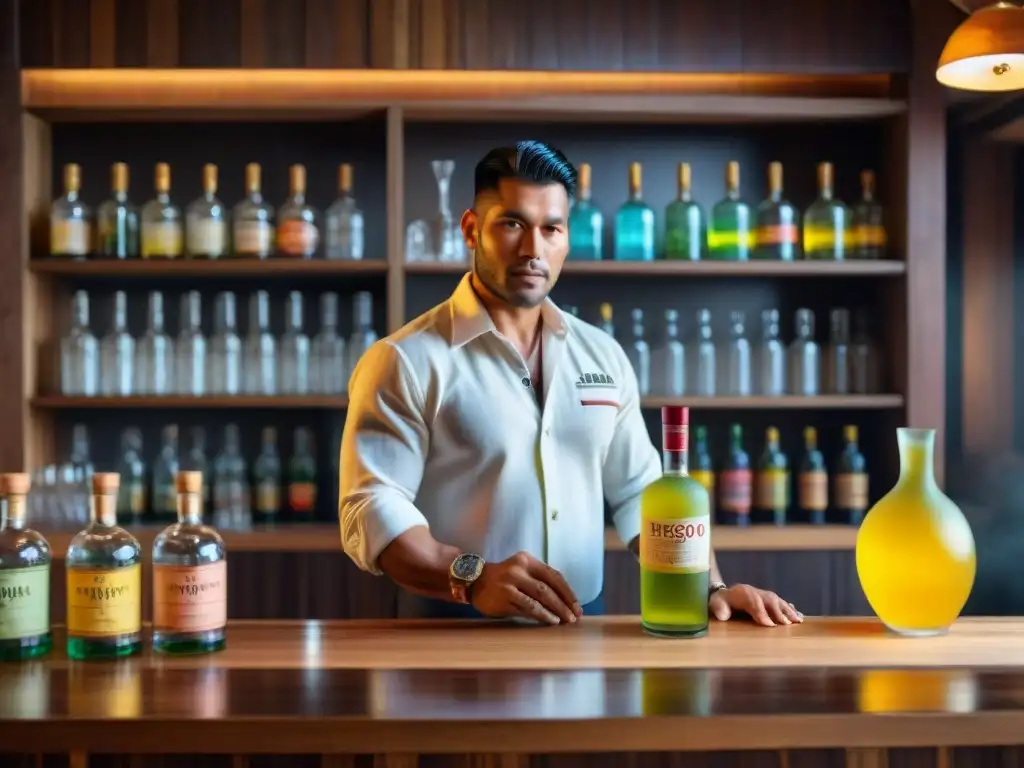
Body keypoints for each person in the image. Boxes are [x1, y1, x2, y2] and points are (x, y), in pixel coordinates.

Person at [339, 140, 803, 627]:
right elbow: (371, 507)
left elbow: (641, 493)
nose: (533, 249)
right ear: (472, 230)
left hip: (580, 627)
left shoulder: (603, 355)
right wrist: (471, 578)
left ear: (566, 237)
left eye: (551, 229)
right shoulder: (404, 360)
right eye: (512, 224)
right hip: (448, 629)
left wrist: (710, 587)